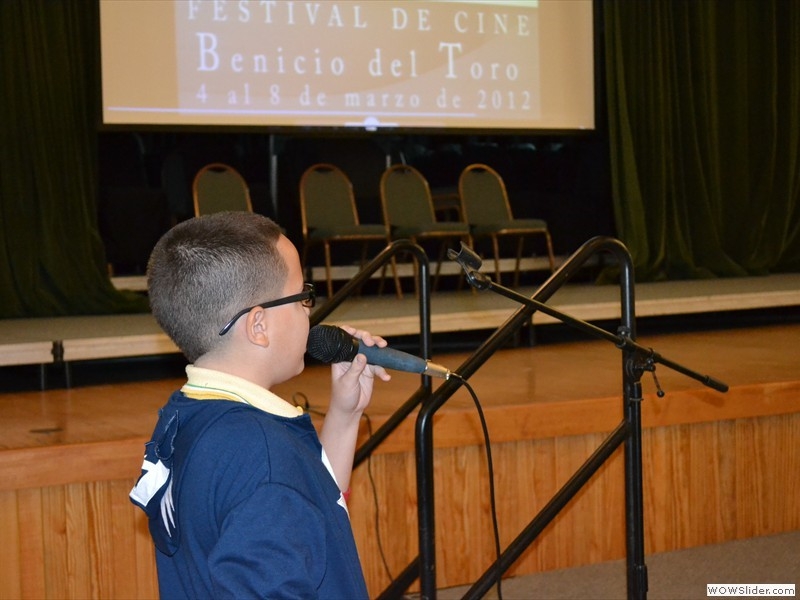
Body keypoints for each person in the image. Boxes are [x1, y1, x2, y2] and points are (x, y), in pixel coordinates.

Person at [130, 211, 390, 599]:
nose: (309, 311)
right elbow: (273, 492)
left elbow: (305, 504)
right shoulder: (262, 454)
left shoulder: (187, 414)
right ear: (258, 326)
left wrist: (345, 415)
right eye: (302, 296)